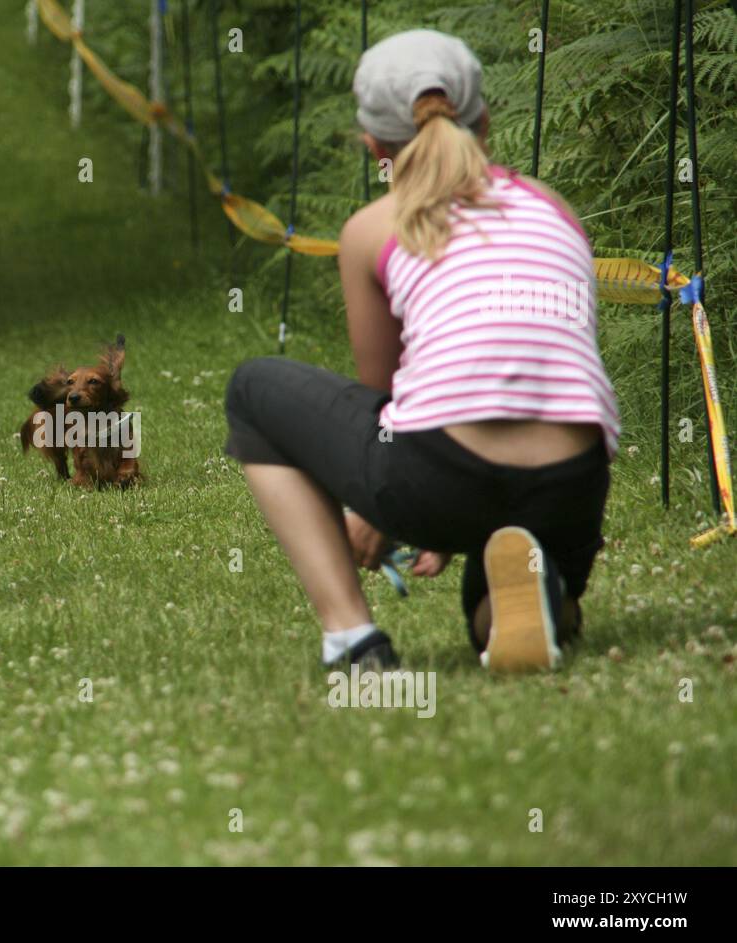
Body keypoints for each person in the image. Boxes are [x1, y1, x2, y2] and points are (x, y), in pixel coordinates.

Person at [224, 30, 618, 674]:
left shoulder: (373, 228)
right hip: (571, 482)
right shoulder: (555, 209)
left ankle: (354, 641)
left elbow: (384, 393)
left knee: (252, 390)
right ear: (484, 120)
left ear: (374, 147)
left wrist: (387, 512)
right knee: (496, 584)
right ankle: (540, 597)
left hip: (440, 472)